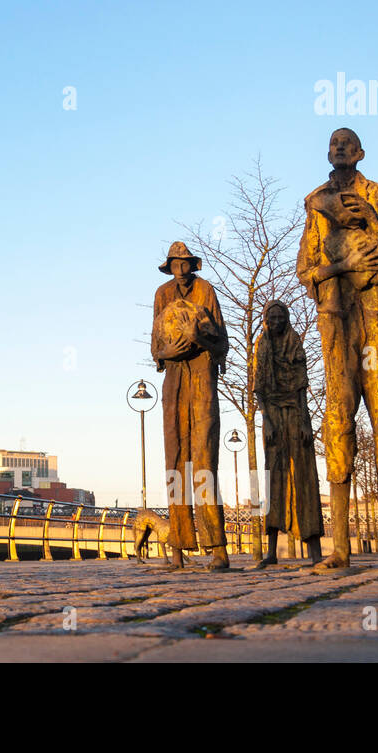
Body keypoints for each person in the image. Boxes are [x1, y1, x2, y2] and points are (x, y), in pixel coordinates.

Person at [298, 128, 378, 571]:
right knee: (338, 416)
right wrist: (342, 265)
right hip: (335, 316)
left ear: (360, 153)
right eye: (332, 144)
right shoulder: (314, 202)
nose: (338, 149)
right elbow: (305, 271)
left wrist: (368, 217)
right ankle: (341, 550)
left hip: (375, 314)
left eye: (346, 144)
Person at [151, 241, 230, 570]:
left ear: (192, 265)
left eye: (185, 263)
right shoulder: (162, 294)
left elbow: (222, 340)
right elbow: (156, 342)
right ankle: (179, 549)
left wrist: (198, 339)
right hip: (174, 380)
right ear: (170, 266)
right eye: (175, 264)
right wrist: (168, 352)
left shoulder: (206, 290)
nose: (180, 269)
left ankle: (218, 548)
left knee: (204, 460)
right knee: (176, 458)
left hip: (201, 376)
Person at [250, 300, 323, 568]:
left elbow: (302, 384)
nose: (277, 321)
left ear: (287, 319)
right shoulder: (262, 344)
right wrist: (266, 421)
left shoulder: (294, 341)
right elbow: (259, 385)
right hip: (272, 413)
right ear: (266, 320)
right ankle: (271, 551)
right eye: (273, 317)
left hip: (295, 411)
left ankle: (315, 549)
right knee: (273, 477)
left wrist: (305, 422)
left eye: (281, 317)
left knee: (305, 476)